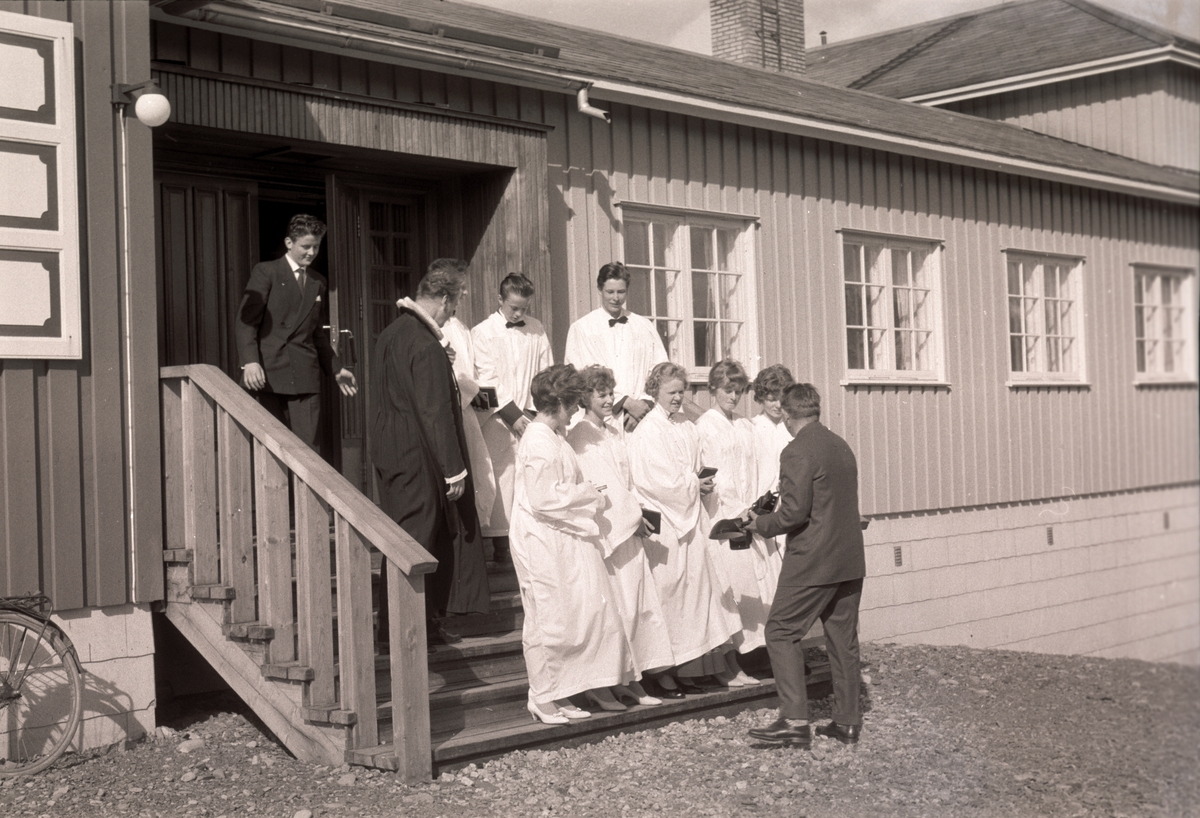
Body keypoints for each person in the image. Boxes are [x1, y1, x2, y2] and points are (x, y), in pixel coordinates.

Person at [370, 261, 490, 646]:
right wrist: (453, 469)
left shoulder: (393, 333)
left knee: (413, 538)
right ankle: (399, 633)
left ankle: (420, 623)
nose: (454, 311)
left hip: (394, 451)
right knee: (415, 540)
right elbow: (434, 409)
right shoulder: (424, 343)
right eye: (454, 303)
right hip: (418, 455)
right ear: (442, 299)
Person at [745, 383, 866, 748]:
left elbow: (793, 514)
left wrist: (758, 524)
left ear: (785, 412)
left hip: (813, 560)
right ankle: (846, 721)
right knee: (843, 640)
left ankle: (794, 722)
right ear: (815, 410)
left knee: (780, 631)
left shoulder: (796, 451)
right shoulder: (839, 444)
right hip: (849, 559)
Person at [510, 364, 631, 724]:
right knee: (545, 617)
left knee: (564, 615)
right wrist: (587, 494)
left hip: (558, 535)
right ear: (559, 401)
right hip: (539, 539)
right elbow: (544, 497)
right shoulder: (537, 440)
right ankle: (541, 697)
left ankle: (559, 691)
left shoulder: (553, 435)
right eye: (573, 403)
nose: (577, 410)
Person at [628, 361, 740, 697]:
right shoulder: (647, 431)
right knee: (671, 597)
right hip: (667, 524)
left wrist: (699, 481)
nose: (678, 398)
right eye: (671, 392)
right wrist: (693, 483)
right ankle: (665, 672)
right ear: (655, 392)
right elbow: (655, 480)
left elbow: (690, 468)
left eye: (681, 392)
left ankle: (696, 668)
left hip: (691, 518)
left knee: (697, 595)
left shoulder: (684, 425)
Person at [567, 365, 674, 709]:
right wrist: (633, 516)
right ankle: (610, 682)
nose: (610, 400)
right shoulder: (581, 435)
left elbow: (626, 481)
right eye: (602, 394)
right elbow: (602, 485)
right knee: (618, 610)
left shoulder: (613, 432)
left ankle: (636, 678)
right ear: (585, 398)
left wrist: (639, 512)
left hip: (629, 530)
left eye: (612, 393)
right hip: (610, 534)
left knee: (638, 607)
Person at [235, 214, 357, 449]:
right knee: (268, 446)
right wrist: (249, 362)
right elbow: (246, 321)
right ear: (289, 243)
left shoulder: (317, 281)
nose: (311, 252)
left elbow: (316, 334)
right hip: (267, 375)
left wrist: (336, 368)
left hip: (304, 375)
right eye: (306, 246)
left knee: (309, 448)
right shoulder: (266, 272)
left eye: (317, 246)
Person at [695, 360, 779, 687]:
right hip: (723, 516)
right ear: (714, 389)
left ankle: (758, 656)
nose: (733, 396)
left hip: (748, 515)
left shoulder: (745, 426)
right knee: (733, 586)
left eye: (738, 390)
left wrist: (757, 507)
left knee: (755, 585)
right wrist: (738, 512)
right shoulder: (705, 426)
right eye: (727, 390)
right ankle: (737, 658)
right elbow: (715, 476)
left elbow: (756, 469)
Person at [471, 273, 554, 564]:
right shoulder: (483, 332)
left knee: (528, 476)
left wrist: (533, 413)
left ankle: (529, 539)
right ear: (500, 300)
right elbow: (485, 377)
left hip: (531, 417)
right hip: (498, 418)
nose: (519, 313)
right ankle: (500, 544)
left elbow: (545, 372)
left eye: (524, 308)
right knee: (501, 478)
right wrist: (512, 415)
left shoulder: (536, 329)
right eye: (514, 307)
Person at [564, 262, 667, 431]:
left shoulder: (643, 326)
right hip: (603, 416)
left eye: (621, 292)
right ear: (599, 289)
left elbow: (659, 369)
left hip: (642, 417)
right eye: (610, 292)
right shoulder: (582, 328)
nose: (616, 298)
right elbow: (582, 374)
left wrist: (644, 403)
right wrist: (625, 402)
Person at [438, 265, 498, 546]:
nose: (465, 293)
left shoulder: (460, 327)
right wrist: (469, 390)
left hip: (466, 408)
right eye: (460, 288)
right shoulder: (435, 327)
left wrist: (478, 393)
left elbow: (469, 369)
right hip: (449, 410)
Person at [749, 364, 795, 595]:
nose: (777, 405)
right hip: (766, 509)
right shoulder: (751, 429)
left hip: (792, 507)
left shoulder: (793, 429)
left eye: (782, 399)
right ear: (761, 397)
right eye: (771, 399)